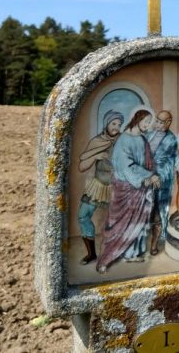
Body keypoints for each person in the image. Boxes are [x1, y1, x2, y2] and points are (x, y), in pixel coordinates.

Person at [96, 108, 160, 273]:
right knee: (121, 225)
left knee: (138, 222)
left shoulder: (142, 139)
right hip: (126, 187)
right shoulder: (124, 139)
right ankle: (107, 258)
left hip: (139, 187)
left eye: (149, 123)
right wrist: (145, 177)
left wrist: (151, 175)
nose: (147, 125)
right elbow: (126, 166)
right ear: (137, 120)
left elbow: (148, 163)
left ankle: (133, 253)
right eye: (145, 122)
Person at [76, 110, 123, 265]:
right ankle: (91, 254)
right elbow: (82, 165)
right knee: (83, 216)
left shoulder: (124, 141)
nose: (116, 127)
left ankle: (115, 252)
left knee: (117, 220)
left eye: (119, 124)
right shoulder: (97, 141)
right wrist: (95, 156)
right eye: (113, 123)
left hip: (116, 186)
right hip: (97, 185)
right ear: (107, 124)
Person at [145, 110, 177, 255]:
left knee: (156, 213)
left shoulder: (171, 140)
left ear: (169, 122)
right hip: (145, 179)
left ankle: (154, 245)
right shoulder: (148, 134)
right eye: (157, 121)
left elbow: (162, 162)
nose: (157, 124)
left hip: (160, 181)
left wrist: (152, 175)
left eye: (161, 122)